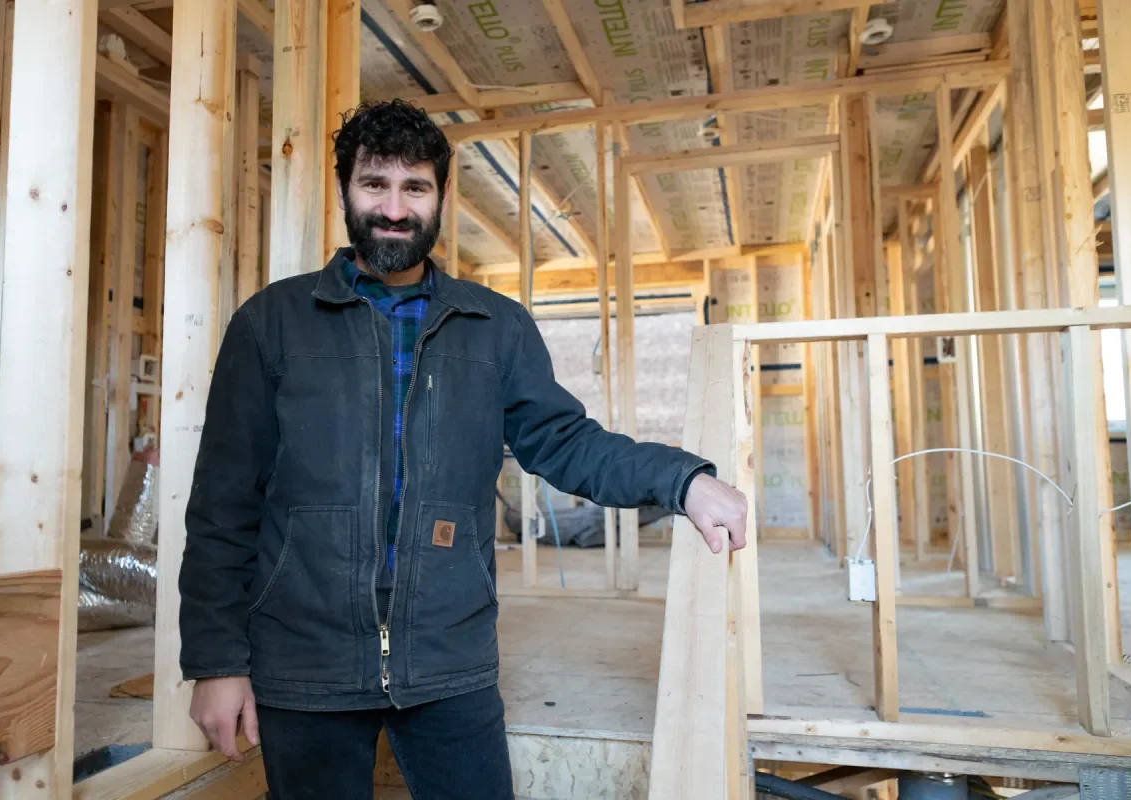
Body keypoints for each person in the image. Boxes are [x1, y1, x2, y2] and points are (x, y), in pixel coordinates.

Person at [178, 99, 749, 800]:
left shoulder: (494, 327)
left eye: (414, 187)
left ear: (441, 197)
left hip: (450, 660)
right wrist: (215, 661)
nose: (394, 208)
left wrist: (683, 480)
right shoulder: (271, 324)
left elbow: (567, 442)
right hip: (305, 662)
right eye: (375, 184)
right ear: (344, 192)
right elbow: (221, 506)